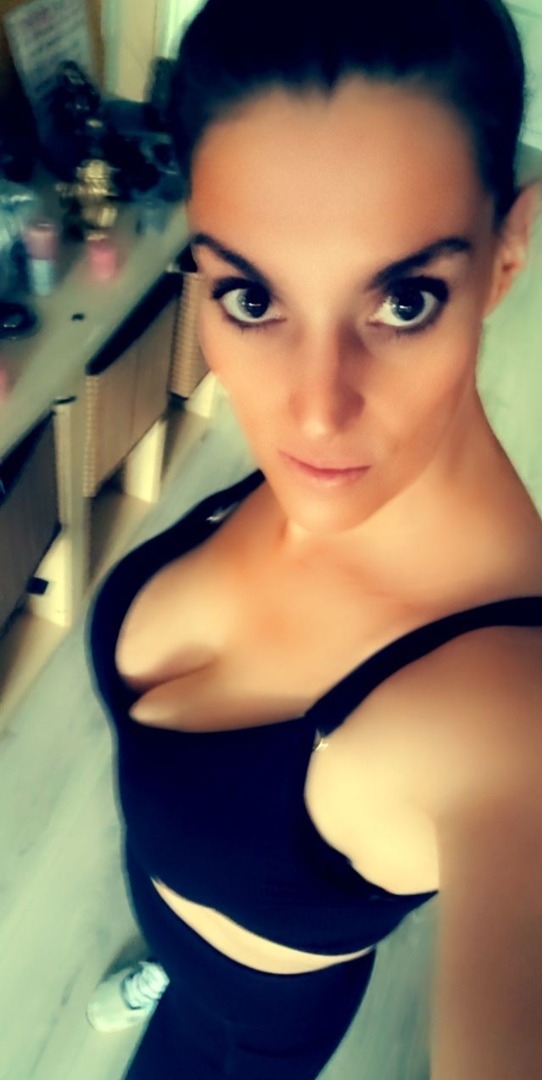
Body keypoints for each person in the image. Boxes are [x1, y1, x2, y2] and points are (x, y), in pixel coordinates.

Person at [87, 0, 542, 1076]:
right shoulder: (326, 467)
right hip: (171, 910)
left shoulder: (502, 719)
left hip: (261, 1022)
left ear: (505, 253)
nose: (317, 413)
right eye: (251, 297)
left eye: (404, 301)